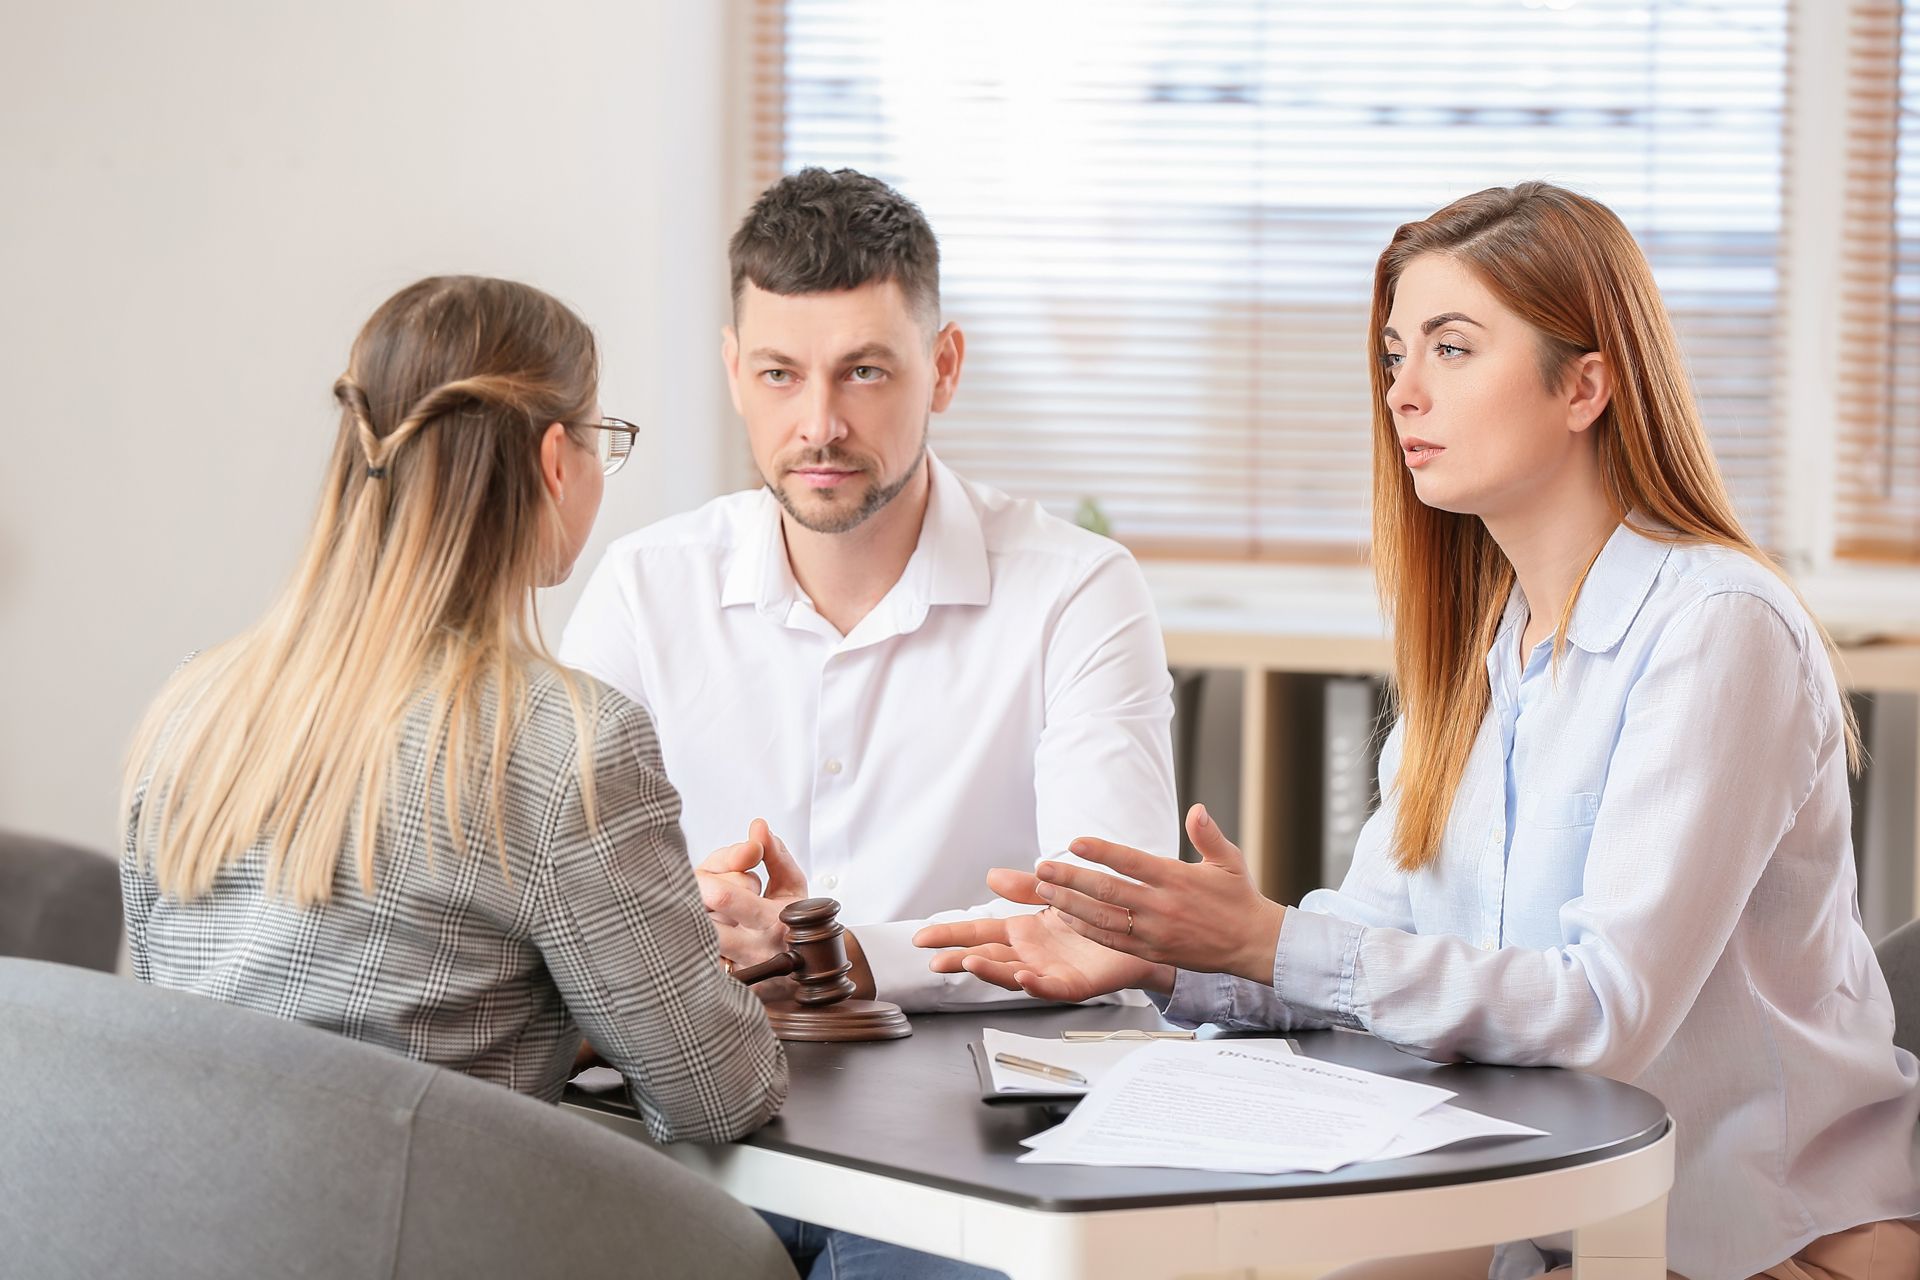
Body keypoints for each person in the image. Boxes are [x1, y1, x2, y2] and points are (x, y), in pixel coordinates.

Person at [917, 184, 1920, 1280]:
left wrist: (1267, 937)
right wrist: (1170, 956)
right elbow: (1374, 941)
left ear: (1584, 383)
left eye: (1451, 347)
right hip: (1539, 1210)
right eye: (1396, 354)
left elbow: (1602, 1014)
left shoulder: (1719, 630)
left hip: (1756, 1242)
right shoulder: (1485, 653)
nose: (1403, 392)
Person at [120, 275, 786, 1144]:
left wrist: (584, 982)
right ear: (556, 461)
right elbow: (720, 1097)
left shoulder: (193, 704)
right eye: (601, 442)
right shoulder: (568, 744)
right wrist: (693, 973)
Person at [558, 167, 1179, 1014]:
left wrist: (828, 955)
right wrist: (689, 917)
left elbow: (1107, 918)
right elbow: (560, 891)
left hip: (998, 1104)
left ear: (943, 368)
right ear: (735, 373)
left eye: (864, 372)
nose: (819, 424)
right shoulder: (644, 586)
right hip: (726, 1076)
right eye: (780, 374)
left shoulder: (1077, 591)